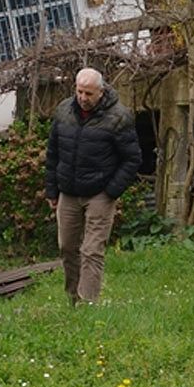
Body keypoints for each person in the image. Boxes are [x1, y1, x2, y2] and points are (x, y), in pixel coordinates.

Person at [45, 67, 141, 305]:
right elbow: (53, 152)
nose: (83, 98)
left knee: (91, 250)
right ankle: (73, 300)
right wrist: (51, 190)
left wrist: (111, 191)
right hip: (68, 191)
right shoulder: (64, 111)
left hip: (100, 192)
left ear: (101, 91)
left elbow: (133, 159)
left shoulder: (119, 117)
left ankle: (88, 303)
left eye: (88, 93)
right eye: (79, 92)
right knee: (67, 246)